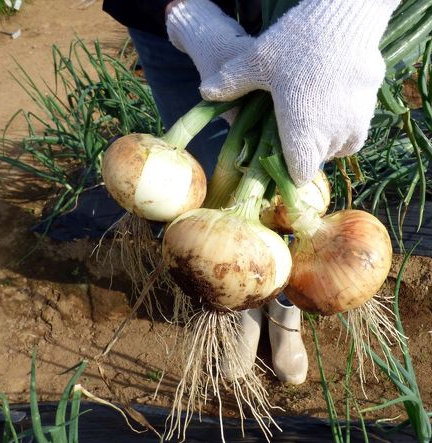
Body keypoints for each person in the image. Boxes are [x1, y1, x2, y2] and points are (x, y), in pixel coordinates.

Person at [102, 0, 398, 385]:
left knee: (296, 164)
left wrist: (347, 15)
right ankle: (240, 302)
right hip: (167, 18)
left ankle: (284, 305)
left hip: (305, 9)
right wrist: (181, 11)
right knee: (209, 165)